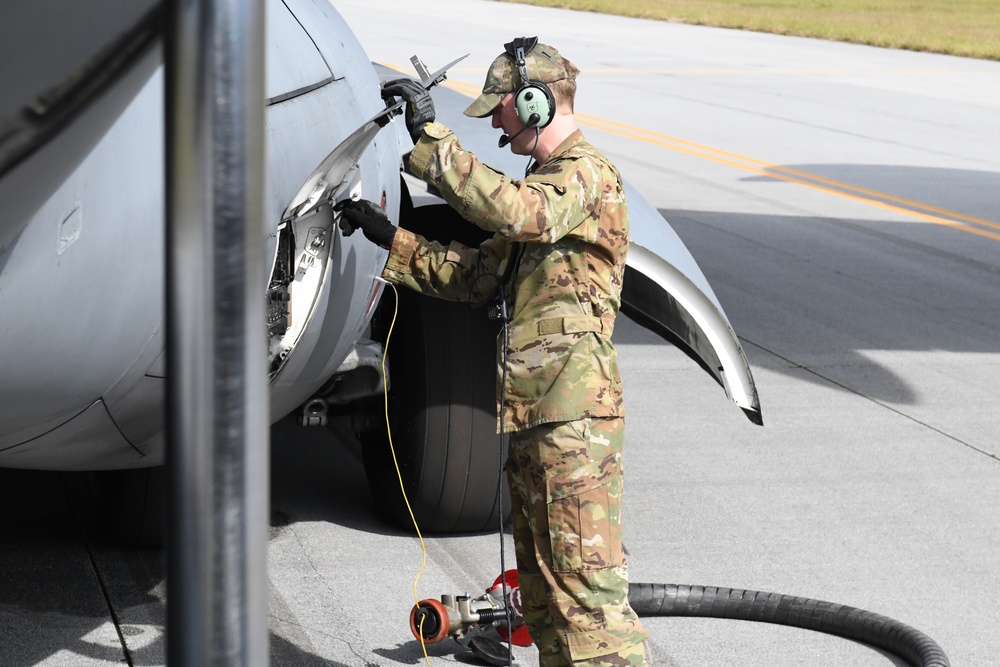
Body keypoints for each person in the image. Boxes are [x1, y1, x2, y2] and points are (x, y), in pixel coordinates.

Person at [337, 37, 650, 667]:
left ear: (534, 103)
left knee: (586, 598)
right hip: (538, 417)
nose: (499, 130)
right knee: (544, 597)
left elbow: (519, 214)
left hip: (574, 422)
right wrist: (390, 240)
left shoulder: (584, 177)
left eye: (501, 112)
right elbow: (477, 276)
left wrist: (432, 141)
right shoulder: (543, 185)